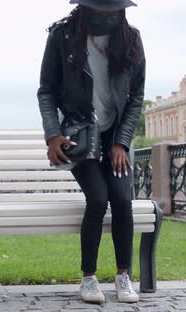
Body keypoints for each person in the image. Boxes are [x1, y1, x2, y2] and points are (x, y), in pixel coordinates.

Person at [37, 0, 146, 304]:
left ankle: (124, 277)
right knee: (97, 199)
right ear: (84, 8)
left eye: (113, 10)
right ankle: (88, 278)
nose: (107, 16)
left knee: (123, 200)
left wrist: (121, 142)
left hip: (114, 136)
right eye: (100, 10)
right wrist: (53, 134)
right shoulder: (63, 36)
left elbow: (136, 95)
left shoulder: (131, 38)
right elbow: (46, 89)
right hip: (79, 134)